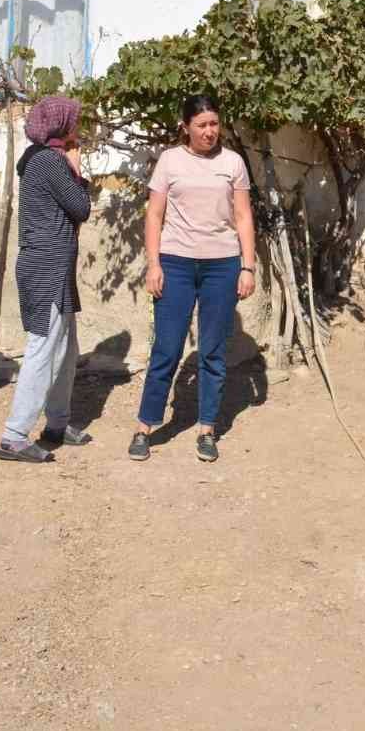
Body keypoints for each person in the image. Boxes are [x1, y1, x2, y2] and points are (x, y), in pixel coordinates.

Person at [131, 94, 257, 464]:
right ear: (186, 127)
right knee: (167, 349)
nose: (209, 132)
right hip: (176, 264)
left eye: (214, 124)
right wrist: (154, 264)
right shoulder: (170, 161)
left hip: (222, 265)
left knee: (213, 352)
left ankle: (206, 428)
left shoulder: (233, 162)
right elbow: (154, 215)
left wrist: (247, 266)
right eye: (201, 125)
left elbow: (244, 216)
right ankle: (145, 426)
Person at [0, 96, 93, 463]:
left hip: (53, 266)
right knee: (42, 347)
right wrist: (77, 170)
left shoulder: (38, 157)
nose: (77, 128)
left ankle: (57, 422)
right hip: (46, 268)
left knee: (65, 350)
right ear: (59, 125)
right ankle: (13, 437)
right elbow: (81, 208)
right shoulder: (51, 162)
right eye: (73, 121)